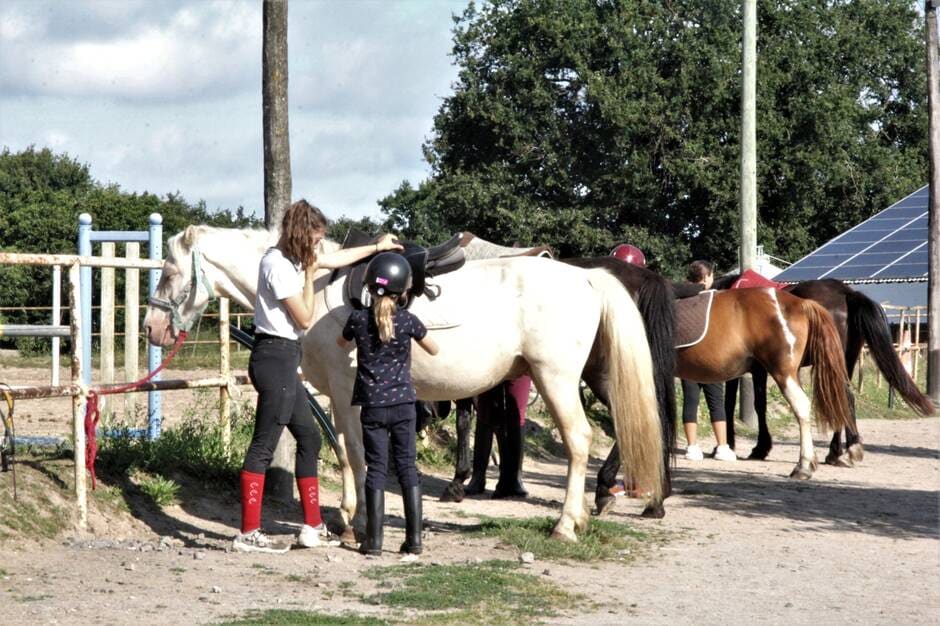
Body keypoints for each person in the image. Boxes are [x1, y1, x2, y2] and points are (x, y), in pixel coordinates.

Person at [233, 199, 402, 554]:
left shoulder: (295, 259)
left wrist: (376, 248)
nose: (317, 247)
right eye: (314, 238)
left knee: (309, 439)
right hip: (275, 355)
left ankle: (312, 525)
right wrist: (310, 277)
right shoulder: (277, 266)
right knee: (263, 445)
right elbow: (305, 318)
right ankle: (248, 531)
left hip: (285, 356)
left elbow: (335, 259)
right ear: (299, 233)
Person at [337, 252, 439, 556]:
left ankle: (374, 542)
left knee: (376, 469)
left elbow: (341, 344)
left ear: (368, 287)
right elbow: (434, 349)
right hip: (405, 403)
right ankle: (414, 540)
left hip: (372, 406)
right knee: (407, 466)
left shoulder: (357, 320)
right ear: (404, 292)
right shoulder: (408, 320)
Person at [681, 260, 736, 462]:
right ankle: (722, 446)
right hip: (711, 357)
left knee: (690, 402)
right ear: (706, 277)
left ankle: (692, 447)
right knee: (717, 403)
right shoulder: (715, 299)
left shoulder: (683, 298)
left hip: (688, 356)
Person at [464, 375, 531, 499]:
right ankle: (478, 476)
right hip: (492, 360)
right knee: (485, 409)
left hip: (521, 361)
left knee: (517, 409)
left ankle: (515, 478)